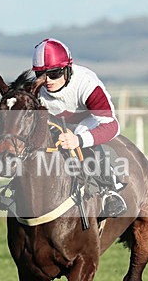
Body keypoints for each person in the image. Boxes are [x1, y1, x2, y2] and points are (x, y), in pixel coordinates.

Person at [32, 38, 126, 217]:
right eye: (41, 74)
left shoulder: (87, 85)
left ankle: (109, 190)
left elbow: (112, 125)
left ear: (67, 69)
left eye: (54, 73)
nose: (48, 80)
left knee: (80, 131)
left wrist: (78, 140)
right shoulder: (36, 88)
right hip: (57, 122)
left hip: (91, 119)